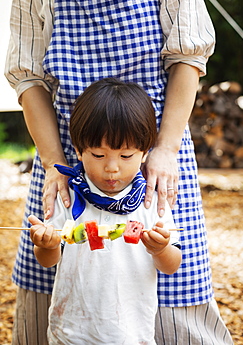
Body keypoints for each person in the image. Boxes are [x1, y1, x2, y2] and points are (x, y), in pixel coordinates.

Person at [4, 0, 233, 344]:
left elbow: (187, 57)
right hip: (67, 153)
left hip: (156, 148)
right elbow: (28, 79)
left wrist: (164, 148)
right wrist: (53, 163)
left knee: (176, 304)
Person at [29, 77, 182, 344]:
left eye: (125, 156)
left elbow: (171, 266)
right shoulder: (68, 196)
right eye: (99, 156)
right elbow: (48, 260)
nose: (112, 168)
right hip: (70, 331)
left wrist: (160, 249)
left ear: (144, 153)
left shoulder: (150, 202)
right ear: (78, 150)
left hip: (132, 334)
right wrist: (46, 244)